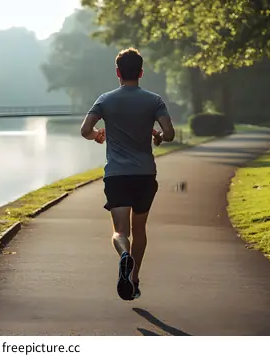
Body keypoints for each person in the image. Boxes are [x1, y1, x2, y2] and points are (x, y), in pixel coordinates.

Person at [80, 47, 175, 301]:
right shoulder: (154, 100)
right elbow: (170, 133)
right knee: (140, 229)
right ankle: (134, 281)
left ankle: (124, 256)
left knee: (120, 232)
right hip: (144, 175)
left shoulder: (105, 100)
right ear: (141, 72)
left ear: (118, 72)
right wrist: (158, 136)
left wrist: (97, 135)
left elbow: (85, 129)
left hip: (117, 176)